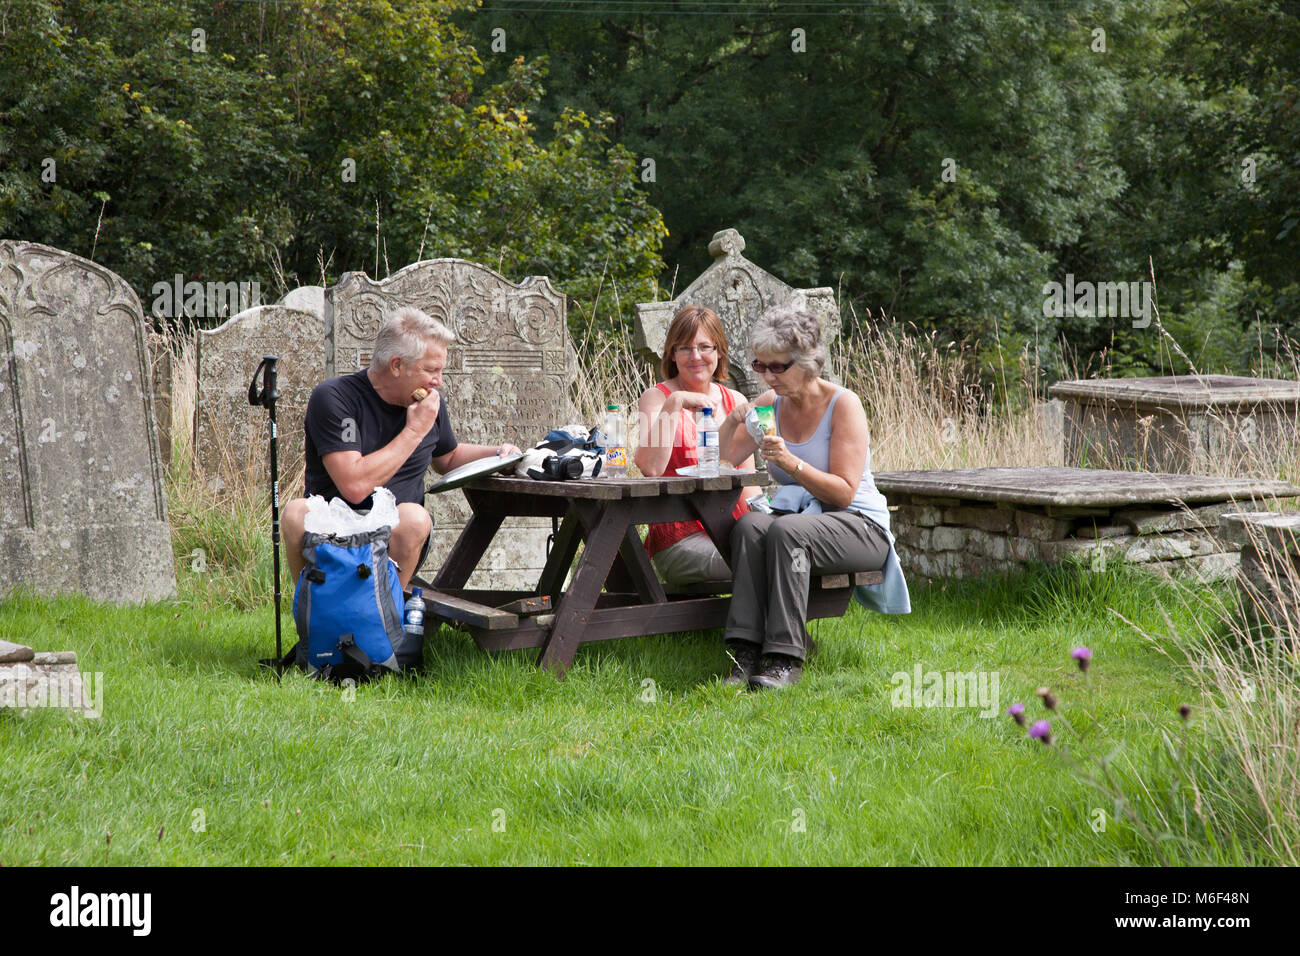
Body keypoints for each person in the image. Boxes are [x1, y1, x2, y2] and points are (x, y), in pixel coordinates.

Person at [717, 305, 910, 690]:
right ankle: (744, 654)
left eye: (778, 367)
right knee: (751, 525)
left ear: (809, 363)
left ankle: (784, 660)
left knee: (787, 531)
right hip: (802, 522)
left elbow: (844, 491)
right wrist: (732, 420)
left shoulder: (844, 404)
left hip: (859, 525)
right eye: (760, 366)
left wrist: (790, 462)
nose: (768, 376)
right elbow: (725, 461)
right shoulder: (770, 405)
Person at [282, 306, 522, 592]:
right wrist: (414, 430)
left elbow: (447, 457)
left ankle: (386, 619)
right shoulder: (335, 397)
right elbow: (355, 485)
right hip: (332, 530)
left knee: (415, 517)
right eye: (431, 370)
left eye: (440, 371)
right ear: (396, 366)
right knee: (296, 512)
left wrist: (499, 455)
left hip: (397, 534)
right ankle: (312, 622)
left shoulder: (429, 403)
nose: (438, 381)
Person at [635, 305, 761, 587]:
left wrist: (769, 521)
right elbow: (650, 467)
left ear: (719, 352)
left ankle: (767, 630)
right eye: (685, 348)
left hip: (733, 529)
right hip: (680, 538)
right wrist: (676, 402)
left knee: (778, 549)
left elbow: (748, 484)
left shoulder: (735, 401)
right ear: (672, 354)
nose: (695, 356)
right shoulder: (657, 399)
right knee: (760, 560)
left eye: (705, 347)